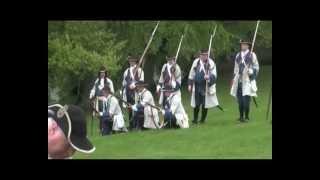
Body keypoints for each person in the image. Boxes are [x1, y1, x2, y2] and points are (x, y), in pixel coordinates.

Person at [230, 40, 259, 122]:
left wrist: (251, 71)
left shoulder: (252, 55)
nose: (242, 46)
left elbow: (256, 67)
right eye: (242, 44)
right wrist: (233, 78)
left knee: (246, 100)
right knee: (240, 100)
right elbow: (236, 68)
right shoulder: (238, 55)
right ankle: (241, 116)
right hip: (239, 80)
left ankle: (246, 116)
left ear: (248, 46)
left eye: (244, 45)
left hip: (247, 80)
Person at [188, 49, 219, 124]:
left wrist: (209, 77)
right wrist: (189, 84)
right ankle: (195, 119)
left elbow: (214, 75)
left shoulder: (211, 63)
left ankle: (202, 119)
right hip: (197, 85)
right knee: (196, 103)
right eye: (203, 55)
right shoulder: (196, 62)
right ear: (200, 55)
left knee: (205, 103)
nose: (205, 56)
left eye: (206, 55)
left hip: (205, 86)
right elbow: (191, 73)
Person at [89, 66, 114, 132]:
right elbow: (94, 89)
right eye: (101, 73)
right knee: (99, 113)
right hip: (98, 100)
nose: (102, 74)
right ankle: (101, 127)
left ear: (105, 73)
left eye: (103, 73)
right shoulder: (97, 81)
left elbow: (112, 91)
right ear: (99, 73)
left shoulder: (109, 81)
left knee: (105, 113)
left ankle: (106, 127)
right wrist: (91, 94)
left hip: (106, 100)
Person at [121, 56, 144, 130]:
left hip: (136, 92)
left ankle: (137, 124)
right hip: (128, 92)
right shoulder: (126, 71)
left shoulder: (140, 70)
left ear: (135, 62)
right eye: (130, 61)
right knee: (130, 108)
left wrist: (134, 85)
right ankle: (131, 125)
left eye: (133, 61)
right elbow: (124, 82)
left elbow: (142, 81)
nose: (132, 62)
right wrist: (125, 88)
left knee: (137, 107)